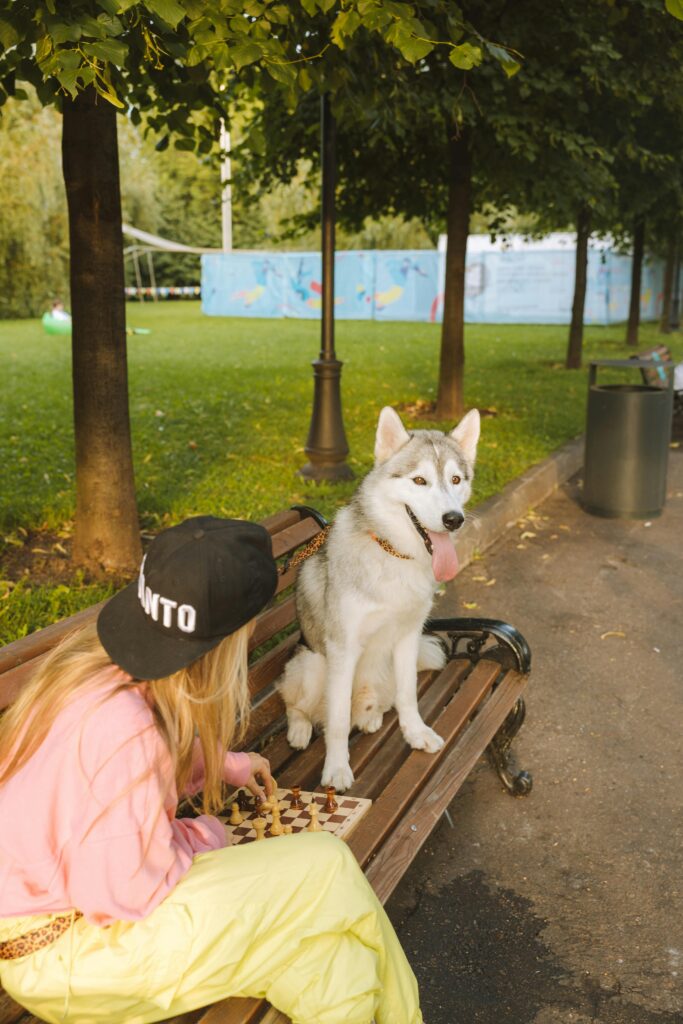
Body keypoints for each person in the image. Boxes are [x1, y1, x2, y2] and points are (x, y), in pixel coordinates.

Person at [0, 516, 422, 1024]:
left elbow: (122, 783)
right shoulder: (123, 729)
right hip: (74, 953)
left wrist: (225, 766)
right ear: (220, 648)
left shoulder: (101, 673)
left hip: (73, 935)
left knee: (329, 954)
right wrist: (207, 834)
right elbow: (124, 891)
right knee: (325, 866)